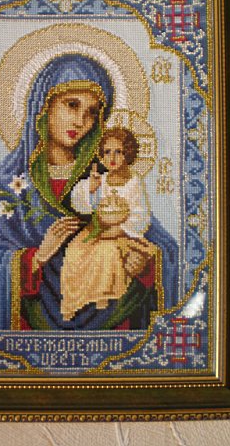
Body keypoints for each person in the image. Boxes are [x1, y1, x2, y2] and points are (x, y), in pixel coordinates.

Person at [0, 53, 178, 330]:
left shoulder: (110, 181)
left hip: (113, 320)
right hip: (28, 328)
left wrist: (144, 265)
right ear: (44, 106)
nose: (81, 121)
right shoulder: (0, 184)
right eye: (71, 105)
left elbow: (164, 250)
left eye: (92, 112)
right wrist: (34, 258)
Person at [60, 127, 158, 321]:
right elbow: (82, 205)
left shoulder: (134, 182)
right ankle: (73, 302)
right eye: (107, 152)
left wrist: (119, 230)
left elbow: (141, 216)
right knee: (74, 252)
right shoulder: (100, 180)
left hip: (122, 234)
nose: (111, 158)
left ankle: (102, 297)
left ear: (128, 153)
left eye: (118, 152)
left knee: (107, 251)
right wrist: (91, 189)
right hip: (97, 230)